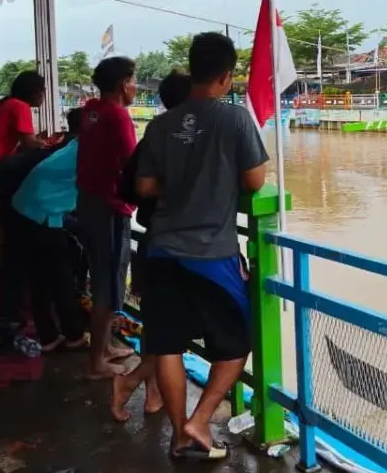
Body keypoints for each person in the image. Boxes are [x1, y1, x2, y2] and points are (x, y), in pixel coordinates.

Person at [135, 33, 267, 460]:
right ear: (227, 76)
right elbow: (255, 182)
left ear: (192, 69)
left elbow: (146, 186)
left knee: (168, 343)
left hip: (160, 249)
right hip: (211, 252)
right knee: (236, 343)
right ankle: (200, 421)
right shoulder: (235, 119)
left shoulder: (160, 124)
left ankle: (179, 436)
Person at [111, 69, 191, 423]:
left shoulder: (155, 135)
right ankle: (132, 383)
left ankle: (151, 390)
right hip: (180, 245)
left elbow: (131, 184)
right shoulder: (183, 139)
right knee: (177, 327)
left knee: (162, 324)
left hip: (155, 240)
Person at [76, 56, 139, 380]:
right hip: (110, 208)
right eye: (133, 80)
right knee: (108, 283)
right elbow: (133, 162)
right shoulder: (117, 116)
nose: (136, 87)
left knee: (104, 278)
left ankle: (105, 347)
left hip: (88, 202)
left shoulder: (91, 110)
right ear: (121, 85)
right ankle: (97, 363)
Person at [9, 134, 88, 352]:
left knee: (41, 279)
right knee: (60, 278)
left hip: (24, 210)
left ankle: (49, 336)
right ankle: (74, 336)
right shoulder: (89, 152)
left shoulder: (75, 145)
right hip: (41, 215)